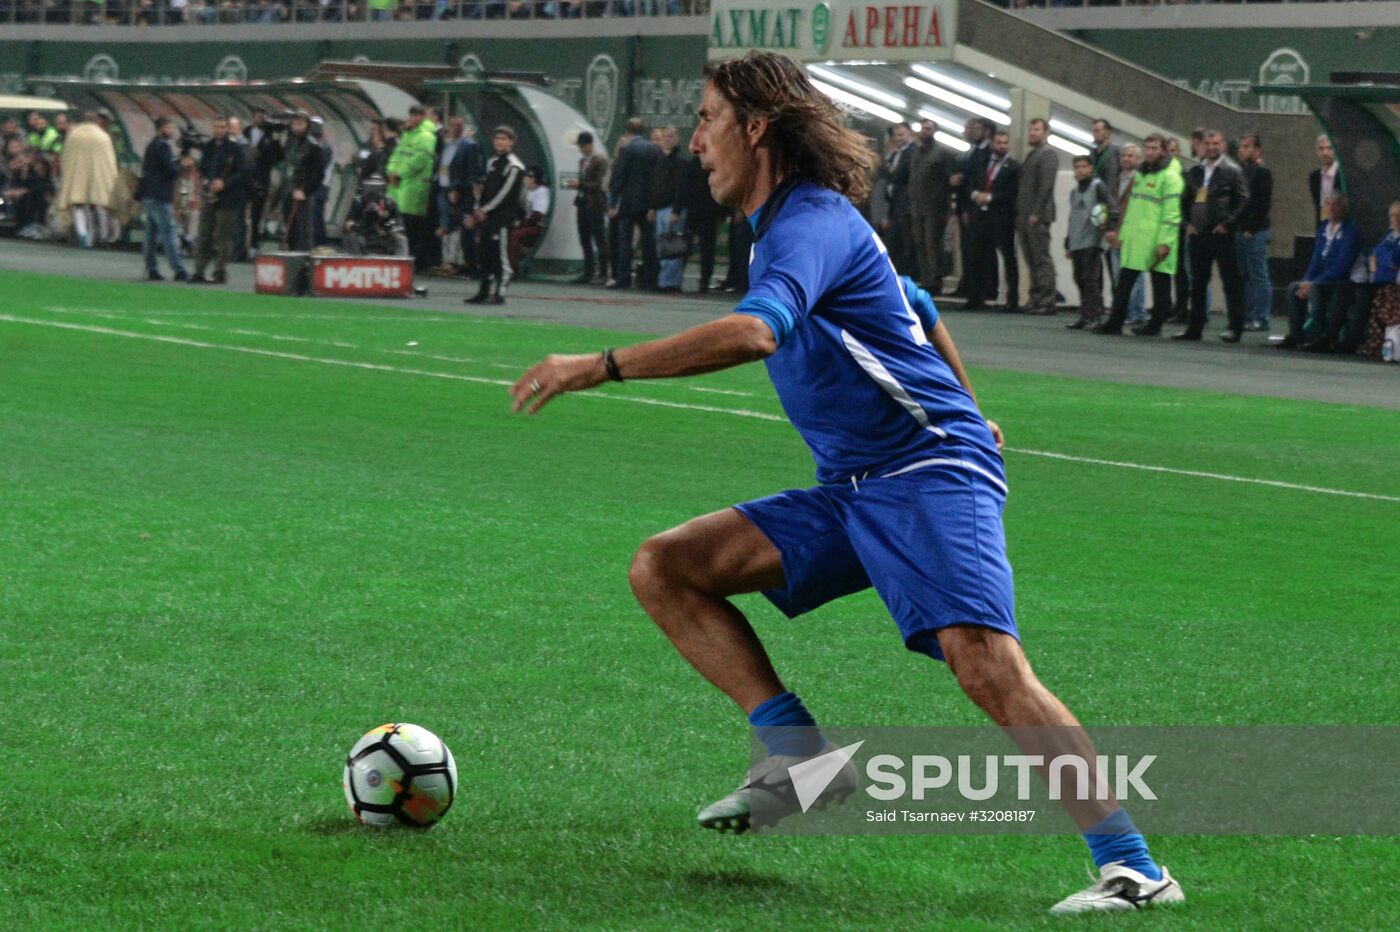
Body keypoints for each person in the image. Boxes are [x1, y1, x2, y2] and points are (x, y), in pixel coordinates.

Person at [508, 51, 1182, 917]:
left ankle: (1134, 868)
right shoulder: (800, 226)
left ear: (757, 127)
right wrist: (980, 407)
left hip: (926, 469)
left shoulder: (808, 223)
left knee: (983, 663)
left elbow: (756, 333)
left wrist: (600, 364)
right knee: (667, 567)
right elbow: (919, 307)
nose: (699, 141)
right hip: (859, 486)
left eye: (711, 120)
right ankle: (795, 759)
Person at [1093, 134, 1181, 336]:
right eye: (1148, 147)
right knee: (1124, 284)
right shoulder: (1141, 175)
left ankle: (1155, 324)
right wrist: (1124, 233)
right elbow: (1133, 208)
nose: (1150, 152)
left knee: (1160, 284)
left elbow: (1172, 213)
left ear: (1163, 151)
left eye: (1154, 148)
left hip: (1157, 239)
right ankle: (1115, 322)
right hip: (1136, 238)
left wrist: (1165, 242)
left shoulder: (1170, 177)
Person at [1179, 129, 1248, 342]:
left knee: (1231, 282)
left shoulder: (1232, 170)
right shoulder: (1194, 171)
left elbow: (1243, 199)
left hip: (1222, 234)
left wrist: (1227, 224)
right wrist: (1186, 223)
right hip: (1198, 233)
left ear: (1223, 145)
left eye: (1216, 143)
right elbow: (1185, 200)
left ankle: (1235, 328)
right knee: (1197, 283)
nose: (1211, 147)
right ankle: (1194, 328)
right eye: (1208, 143)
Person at [1280, 192, 1361, 351]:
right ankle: (1296, 335)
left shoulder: (1351, 231)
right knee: (1293, 288)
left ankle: (1318, 336)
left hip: (1343, 281)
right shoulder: (1324, 228)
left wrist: (1314, 282)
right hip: (1322, 279)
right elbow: (1316, 260)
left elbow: (1341, 267)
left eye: (1335, 205)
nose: (1331, 208)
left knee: (1316, 288)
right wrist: (1306, 280)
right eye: (1328, 204)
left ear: (1343, 208)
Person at [465, 125, 525, 305]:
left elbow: (505, 193)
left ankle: (500, 293)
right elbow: (485, 191)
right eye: (497, 138)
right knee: (484, 254)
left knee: (501, 256)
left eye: (504, 139)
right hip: (487, 217)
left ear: (512, 142)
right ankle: (483, 291)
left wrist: (485, 210)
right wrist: (478, 209)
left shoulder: (515, 166)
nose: (500, 142)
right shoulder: (492, 162)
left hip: (502, 218)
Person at [191, 115, 248, 284]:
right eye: (216, 126)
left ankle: (219, 272)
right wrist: (205, 179)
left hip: (228, 198)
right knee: (204, 234)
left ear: (228, 129)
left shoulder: (235, 149)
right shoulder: (208, 147)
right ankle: (199, 270)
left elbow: (242, 173)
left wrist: (224, 183)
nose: (219, 130)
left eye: (223, 127)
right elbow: (203, 167)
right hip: (209, 196)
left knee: (223, 237)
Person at [965, 129, 1018, 311]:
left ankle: (1013, 300)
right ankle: (976, 297)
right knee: (976, 256)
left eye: (1005, 143)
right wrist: (975, 195)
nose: (1002, 146)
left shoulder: (1014, 167)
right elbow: (969, 184)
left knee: (1008, 258)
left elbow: (1012, 193)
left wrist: (990, 198)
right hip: (979, 216)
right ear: (993, 144)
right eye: (999, 143)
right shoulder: (981, 163)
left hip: (1002, 218)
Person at [1338, 200, 1400, 355]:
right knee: (1343, 289)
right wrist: (1377, 259)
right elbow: (1371, 256)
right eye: (1393, 215)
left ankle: (1353, 340)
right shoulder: (1390, 235)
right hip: (1379, 280)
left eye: (1399, 216)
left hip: (1391, 282)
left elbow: (1395, 260)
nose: (1395, 219)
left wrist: (1379, 259)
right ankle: (1331, 335)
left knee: (1365, 294)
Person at [136, 116, 192, 281]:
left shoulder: (151, 146)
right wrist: (183, 165)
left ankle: (151, 268)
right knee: (168, 233)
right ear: (161, 129)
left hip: (149, 194)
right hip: (160, 195)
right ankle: (178, 269)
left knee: (150, 234)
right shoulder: (163, 146)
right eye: (169, 128)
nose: (172, 131)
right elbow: (170, 171)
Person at [1063, 154, 1116, 330]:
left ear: (1091, 168)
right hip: (1077, 241)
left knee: (1091, 280)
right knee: (1079, 279)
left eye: (1084, 167)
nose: (1080, 170)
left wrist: (1110, 229)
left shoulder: (1098, 187)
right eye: (1077, 167)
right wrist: (1068, 242)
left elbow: (1111, 208)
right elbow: (1072, 218)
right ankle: (1085, 316)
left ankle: (1095, 315)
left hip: (1092, 241)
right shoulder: (1074, 192)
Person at [608, 117, 661, 289]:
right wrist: (653, 205)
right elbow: (656, 180)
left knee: (625, 242)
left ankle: (623, 278)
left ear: (627, 131)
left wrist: (613, 201)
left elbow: (619, 177)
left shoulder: (627, 149)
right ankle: (650, 279)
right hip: (647, 203)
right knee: (648, 243)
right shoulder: (654, 150)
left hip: (629, 203)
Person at [56, 111, 119, 249]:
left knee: (79, 205)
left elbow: (66, 157)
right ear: (96, 120)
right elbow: (109, 162)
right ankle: (103, 237)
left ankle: (84, 235)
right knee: (100, 204)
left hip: (77, 176)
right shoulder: (103, 137)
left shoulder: (74, 135)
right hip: (98, 177)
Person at [908, 118, 955, 295]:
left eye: (928, 128)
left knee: (932, 243)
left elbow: (951, 180)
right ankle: (926, 279)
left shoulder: (942, 153)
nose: (925, 131)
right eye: (923, 128)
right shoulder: (916, 152)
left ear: (935, 131)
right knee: (920, 243)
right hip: (916, 205)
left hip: (935, 207)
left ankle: (936, 280)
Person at [1016, 117, 1058, 315]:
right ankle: (1036, 298)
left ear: (1046, 132)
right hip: (1024, 215)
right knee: (1031, 259)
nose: (1032, 133)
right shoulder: (1032, 154)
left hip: (1036, 216)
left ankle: (1047, 300)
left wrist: (1036, 212)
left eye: (1037, 130)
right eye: (1031, 129)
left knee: (1041, 259)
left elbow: (1046, 186)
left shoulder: (1048, 155)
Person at [387, 106, 437, 270]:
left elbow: (420, 159)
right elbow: (397, 154)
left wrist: (399, 173)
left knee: (413, 228)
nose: (413, 118)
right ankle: (403, 260)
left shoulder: (427, 136)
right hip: (399, 187)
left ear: (423, 116)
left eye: (417, 115)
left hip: (414, 188)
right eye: (412, 115)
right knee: (400, 225)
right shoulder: (407, 134)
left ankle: (415, 263)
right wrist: (391, 171)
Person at [1234, 133, 1274, 332]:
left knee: (1258, 275)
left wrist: (1250, 228)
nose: (1242, 149)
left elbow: (1261, 204)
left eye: (1247, 146)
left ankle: (1261, 317)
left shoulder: (1262, 172)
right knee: (1244, 275)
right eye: (1241, 146)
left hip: (1255, 231)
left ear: (1257, 150)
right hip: (1240, 230)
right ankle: (1247, 315)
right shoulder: (1241, 171)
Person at [434, 116, 481, 275]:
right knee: (444, 225)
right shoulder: (445, 145)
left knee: (456, 227)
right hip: (443, 189)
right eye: (452, 125)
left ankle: (456, 262)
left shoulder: (469, 146)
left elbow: (471, 171)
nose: (455, 128)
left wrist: (457, 189)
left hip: (458, 193)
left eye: (458, 125)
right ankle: (446, 260)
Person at [950, 118, 990, 299]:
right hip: (964, 205)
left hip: (974, 207)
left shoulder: (985, 153)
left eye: (973, 128)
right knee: (966, 249)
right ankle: (967, 285)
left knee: (976, 250)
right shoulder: (969, 153)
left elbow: (976, 181)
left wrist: (967, 207)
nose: (968, 132)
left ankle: (979, 290)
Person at [1107, 143, 1146, 324]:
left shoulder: (1141, 180)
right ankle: (1124, 311)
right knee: (1118, 278)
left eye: (1131, 156)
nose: (1126, 159)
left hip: (1133, 235)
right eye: (1125, 155)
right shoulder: (1117, 180)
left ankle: (1136, 313)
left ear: (1138, 159)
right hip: (1116, 235)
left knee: (1135, 279)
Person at [566, 131, 609, 284]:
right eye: (580, 146)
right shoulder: (582, 161)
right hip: (583, 204)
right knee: (584, 239)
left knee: (599, 239)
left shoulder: (600, 161)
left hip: (595, 204)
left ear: (591, 145)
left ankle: (603, 273)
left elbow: (600, 184)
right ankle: (589, 272)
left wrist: (581, 185)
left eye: (583, 146)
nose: (581, 149)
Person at [680, 146, 724, 294]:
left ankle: (677, 277)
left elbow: (684, 190)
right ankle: (705, 280)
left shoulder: (691, 165)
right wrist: (721, 213)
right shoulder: (714, 166)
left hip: (695, 213)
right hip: (708, 214)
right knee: (707, 250)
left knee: (685, 247)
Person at [279, 112, 325, 251]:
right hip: (288, 190)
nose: (297, 127)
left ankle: (305, 263)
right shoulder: (290, 142)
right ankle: (292, 259)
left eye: (301, 124)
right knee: (290, 229)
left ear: (307, 125)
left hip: (302, 193)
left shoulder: (314, 146)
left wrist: (305, 190)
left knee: (304, 232)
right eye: (295, 124)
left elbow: (318, 174)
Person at [650, 126, 686, 292]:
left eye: (671, 136)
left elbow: (681, 188)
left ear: (677, 139)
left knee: (672, 248)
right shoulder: (660, 160)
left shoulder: (679, 161)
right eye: (665, 136)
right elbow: (656, 187)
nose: (667, 139)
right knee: (663, 248)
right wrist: (653, 207)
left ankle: (670, 282)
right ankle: (665, 280)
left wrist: (676, 210)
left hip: (671, 210)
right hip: (660, 209)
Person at [881, 122, 917, 277]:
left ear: (910, 134)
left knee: (907, 242)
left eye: (902, 134)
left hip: (906, 204)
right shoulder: (896, 154)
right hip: (894, 204)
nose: (898, 138)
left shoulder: (913, 152)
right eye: (896, 135)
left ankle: (910, 275)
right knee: (894, 242)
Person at [342, 174, 408, 257]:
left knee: (401, 239)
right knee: (349, 236)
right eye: (369, 187)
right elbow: (348, 223)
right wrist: (355, 225)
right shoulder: (358, 202)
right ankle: (355, 261)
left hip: (384, 235)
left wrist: (394, 230)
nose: (373, 192)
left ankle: (400, 264)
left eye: (377, 188)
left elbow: (399, 224)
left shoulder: (390, 203)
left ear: (384, 189)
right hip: (363, 234)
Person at [508, 166, 550, 273]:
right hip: (528, 224)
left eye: (527, 177)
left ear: (533, 179)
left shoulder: (542, 191)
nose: (525, 180)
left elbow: (537, 216)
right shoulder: (527, 190)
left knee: (516, 234)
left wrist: (520, 224)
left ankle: (512, 268)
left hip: (538, 226)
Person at [1308, 134, 1340, 223]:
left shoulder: (1342, 175)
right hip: (1322, 225)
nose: (1325, 152)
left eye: (1329, 148)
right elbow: (1317, 205)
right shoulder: (1314, 177)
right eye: (1321, 148)